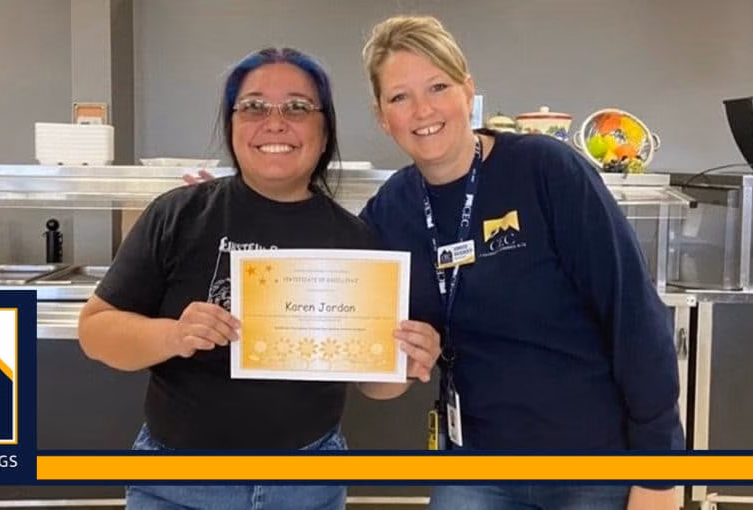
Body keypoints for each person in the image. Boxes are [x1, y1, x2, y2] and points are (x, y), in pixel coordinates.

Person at [77, 46, 441, 510]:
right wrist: (174, 335)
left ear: (324, 130)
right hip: (176, 484)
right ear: (232, 125)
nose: (275, 122)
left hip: (306, 486)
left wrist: (405, 363)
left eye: (297, 107)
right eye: (253, 107)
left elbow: (376, 385)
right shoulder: (179, 215)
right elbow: (95, 331)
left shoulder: (354, 240)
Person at [359, 15, 684, 510]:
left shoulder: (545, 170)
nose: (423, 109)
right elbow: (377, 371)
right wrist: (395, 363)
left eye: (438, 86)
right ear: (383, 116)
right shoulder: (390, 211)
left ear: (468, 90)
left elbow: (633, 316)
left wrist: (659, 474)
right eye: (399, 97)